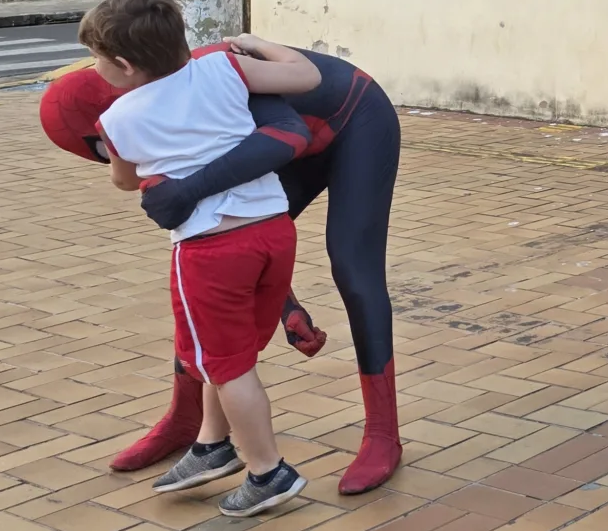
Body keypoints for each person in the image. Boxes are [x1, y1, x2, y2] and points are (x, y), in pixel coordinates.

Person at [41, 46, 406, 495]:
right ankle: (189, 422)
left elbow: (288, 135)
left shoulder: (208, 75)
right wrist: (285, 304)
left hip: (355, 119)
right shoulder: (149, 101)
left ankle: (383, 432)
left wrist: (188, 190)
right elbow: (243, 234)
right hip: (280, 151)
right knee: (204, 285)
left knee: (354, 266)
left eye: (103, 149)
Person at [78, 0, 321, 517]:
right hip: (273, 231)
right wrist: (255, 43)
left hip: (210, 250)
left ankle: (268, 472)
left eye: (96, 58)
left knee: (227, 365)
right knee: (228, 352)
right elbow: (306, 75)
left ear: (123, 65)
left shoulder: (117, 118)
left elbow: (125, 181)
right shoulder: (223, 69)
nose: (94, 68)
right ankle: (212, 444)